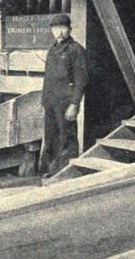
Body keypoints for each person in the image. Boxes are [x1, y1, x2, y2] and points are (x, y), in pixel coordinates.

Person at [40, 13, 87, 177]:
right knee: (51, 137)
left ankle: (68, 173)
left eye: (63, 28)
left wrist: (74, 104)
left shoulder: (76, 50)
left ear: (70, 29)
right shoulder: (52, 50)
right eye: (56, 28)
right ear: (51, 31)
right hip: (51, 102)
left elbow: (81, 80)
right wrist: (44, 102)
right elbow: (48, 78)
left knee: (67, 138)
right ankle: (52, 172)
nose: (59, 32)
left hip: (66, 102)